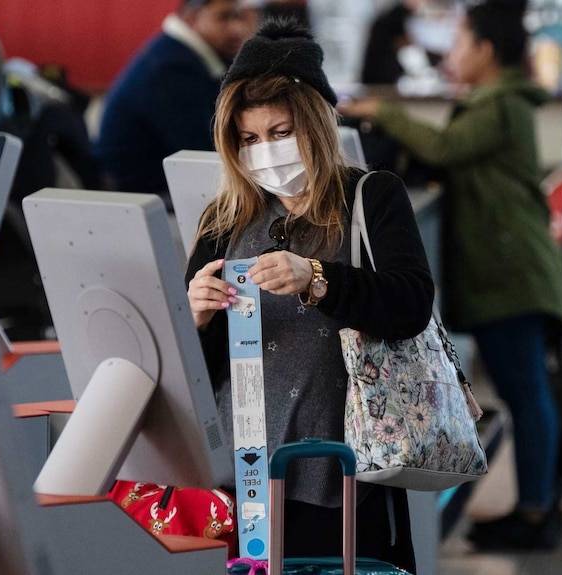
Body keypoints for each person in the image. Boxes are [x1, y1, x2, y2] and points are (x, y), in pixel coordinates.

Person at [185, 18, 434, 571]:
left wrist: (318, 279)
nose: (266, 152)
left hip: (349, 473)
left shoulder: (370, 197)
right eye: (249, 139)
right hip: (247, 478)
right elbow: (196, 371)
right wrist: (194, 319)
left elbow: (411, 303)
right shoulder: (225, 220)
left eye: (281, 133)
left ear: (316, 128)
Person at [338, 1, 562, 551]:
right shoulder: (494, 101)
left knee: (525, 392)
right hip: (507, 272)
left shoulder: (501, 104)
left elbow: (444, 148)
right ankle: (537, 505)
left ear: (487, 51)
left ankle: (537, 512)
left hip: (513, 275)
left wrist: (380, 109)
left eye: (462, 41)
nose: (453, 53)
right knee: (525, 391)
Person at [96, 0, 257, 207]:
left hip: (151, 186)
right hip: (138, 196)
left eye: (239, 17)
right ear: (191, 18)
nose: (237, 28)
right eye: (223, 17)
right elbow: (205, 150)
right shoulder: (171, 67)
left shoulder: (182, 53)